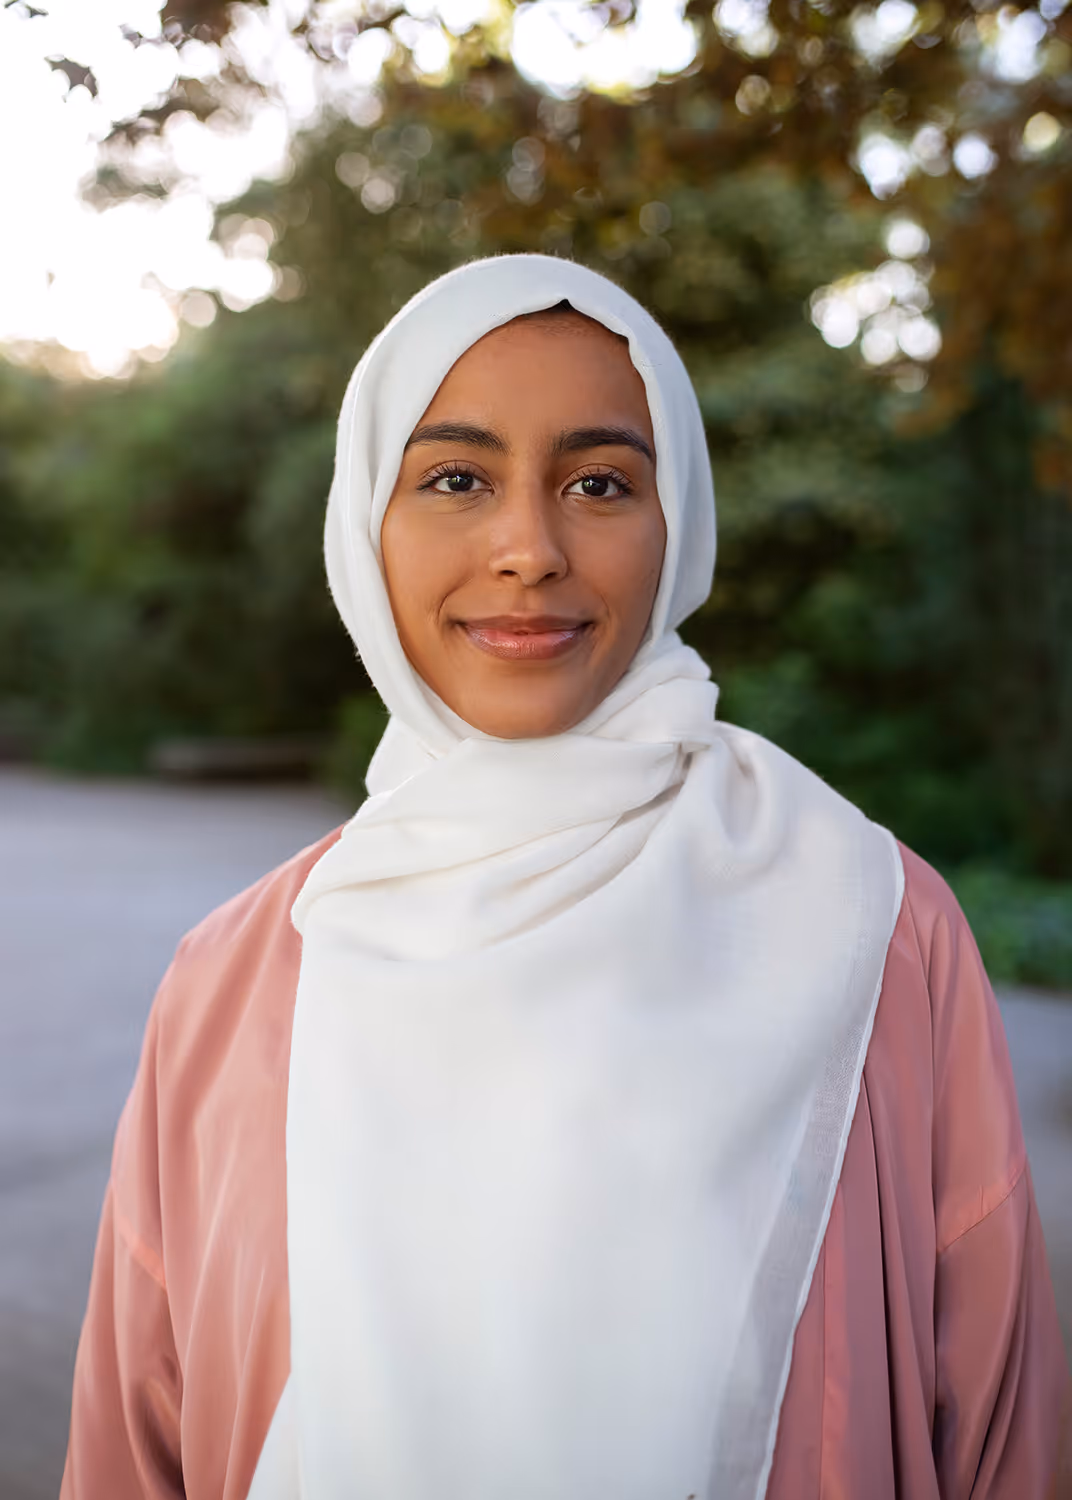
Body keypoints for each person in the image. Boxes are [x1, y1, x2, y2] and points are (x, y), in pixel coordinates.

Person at [62, 254, 1070, 1500]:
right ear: (364, 524)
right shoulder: (230, 979)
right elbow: (134, 1451)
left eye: (598, 482)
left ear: (677, 523)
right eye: (453, 479)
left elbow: (1001, 1431)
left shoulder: (878, 927)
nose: (527, 548)